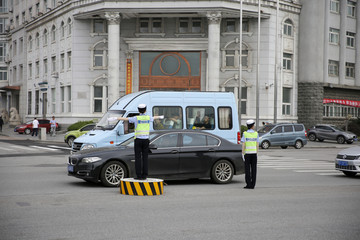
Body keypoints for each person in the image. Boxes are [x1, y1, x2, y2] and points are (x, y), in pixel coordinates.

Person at [111, 104, 164, 180]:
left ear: (138, 110)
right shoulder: (148, 117)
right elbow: (154, 118)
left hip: (138, 140)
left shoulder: (136, 118)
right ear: (145, 110)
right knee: (145, 158)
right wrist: (160, 117)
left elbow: (125, 119)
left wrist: (115, 118)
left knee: (138, 158)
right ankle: (145, 175)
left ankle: (139, 175)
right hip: (146, 140)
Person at [241, 119, 259, 189]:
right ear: (252, 126)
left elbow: (243, 144)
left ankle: (248, 184)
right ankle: (253, 184)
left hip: (247, 154)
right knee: (254, 169)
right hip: (254, 153)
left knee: (247, 169)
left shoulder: (245, 134)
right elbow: (257, 145)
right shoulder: (256, 134)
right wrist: (257, 152)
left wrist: (243, 153)